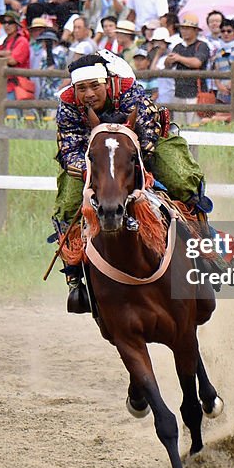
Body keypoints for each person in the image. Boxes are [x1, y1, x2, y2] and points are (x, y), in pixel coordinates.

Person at [53, 53, 213, 312]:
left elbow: (147, 130)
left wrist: (129, 162)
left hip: (139, 148)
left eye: (95, 86)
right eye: (82, 88)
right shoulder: (68, 105)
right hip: (92, 157)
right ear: (74, 90)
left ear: (107, 83)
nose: (89, 94)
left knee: (182, 179)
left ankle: (205, 247)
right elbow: (69, 146)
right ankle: (75, 278)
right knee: (67, 205)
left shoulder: (129, 91)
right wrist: (94, 170)